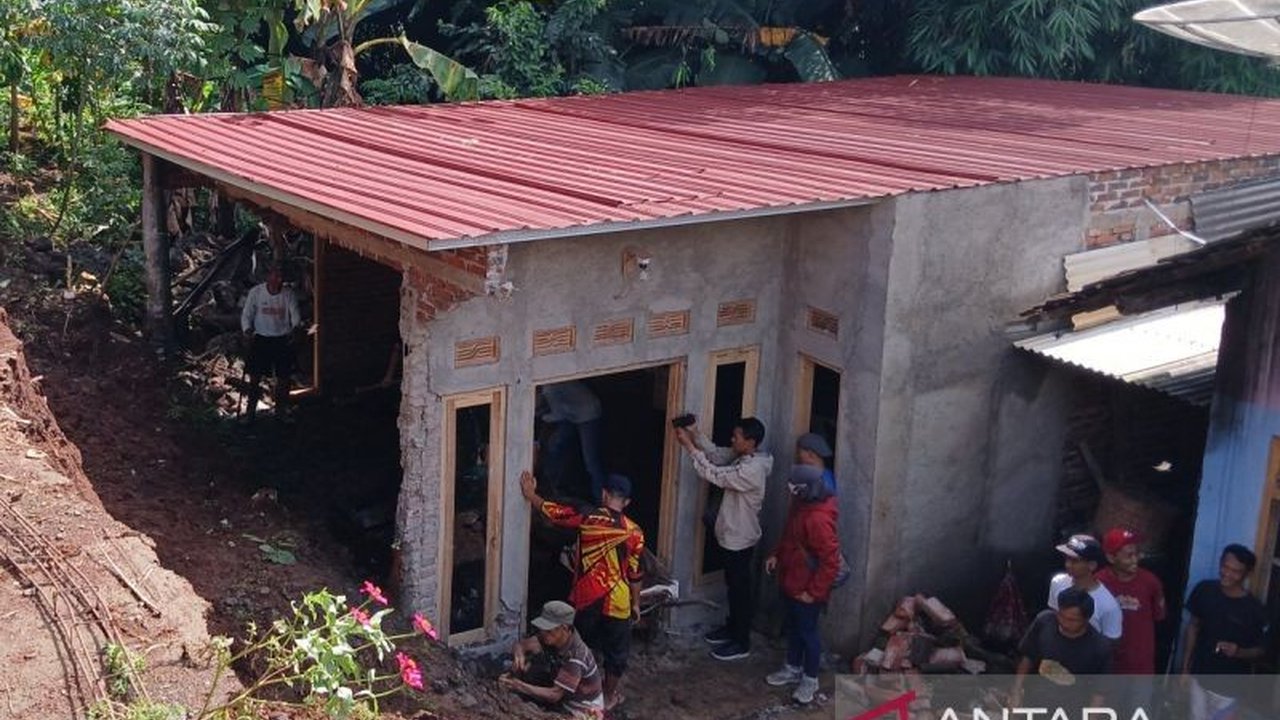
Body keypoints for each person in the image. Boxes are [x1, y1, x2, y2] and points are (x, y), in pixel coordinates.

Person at [520, 470, 644, 711]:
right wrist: (635, 603)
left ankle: (567, 687)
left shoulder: (589, 517)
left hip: (586, 598)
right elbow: (635, 573)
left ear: (604, 494)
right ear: (626, 502)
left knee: (575, 645)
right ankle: (606, 699)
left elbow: (555, 513)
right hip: (618, 603)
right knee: (616, 656)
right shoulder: (635, 532)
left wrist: (531, 495)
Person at [675, 416, 773, 661]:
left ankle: (741, 641)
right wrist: (696, 435)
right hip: (732, 535)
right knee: (734, 586)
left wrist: (689, 447)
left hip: (740, 539)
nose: (732, 440)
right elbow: (718, 455)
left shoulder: (751, 471)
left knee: (740, 590)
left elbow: (716, 473)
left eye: (737, 437)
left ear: (750, 442)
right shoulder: (746, 457)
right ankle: (732, 628)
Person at [763, 464, 841, 705]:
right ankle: (792, 667)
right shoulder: (802, 504)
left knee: (808, 633)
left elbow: (831, 562)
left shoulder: (818, 519)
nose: (790, 490)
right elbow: (789, 533)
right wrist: (776, 553)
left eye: (793, 487)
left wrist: (813, 592)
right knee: (795, 627)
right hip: (792, 579)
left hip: (806, 586)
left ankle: (810, 679)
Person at [1180, 544, 1268, 720]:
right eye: (1225, 567)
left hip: (1230, 690)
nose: (1227, 574)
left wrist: (1238, 652)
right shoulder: (1204, 590)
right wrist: (1185, 669)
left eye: (1235, 571)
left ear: (1247, 574)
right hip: (1199, 679)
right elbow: (1193, 627)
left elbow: (1261, 651)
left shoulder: (1255, 610)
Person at [1097, 527, 1166, 717]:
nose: (1135, 559)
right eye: (1129, 555)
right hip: (1110, 666)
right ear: (1111, 558)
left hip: (1140, 668)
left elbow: (1159, 618)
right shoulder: (1099, 583)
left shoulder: (1151, 582)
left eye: (1137, 553)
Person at [499, 600, 604, 718]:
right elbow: (520, 645)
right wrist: (519, 657)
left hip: (581, 706)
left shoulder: (576, 657)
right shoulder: (550, 637)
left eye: (548, 630)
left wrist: (518, 685)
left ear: (564, 628)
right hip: (564, 694)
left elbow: (555, 695)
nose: (543, 633)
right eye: (543, 628)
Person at [1013, 587, 1113, 710]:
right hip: (1035, 704)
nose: (1064, 623)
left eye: (1072, 620)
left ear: (1086, 619)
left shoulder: (1100, 647)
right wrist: (1016, 691)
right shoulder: (1044, 622)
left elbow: (1100, 691)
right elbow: (1027, 657)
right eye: (1061, 616)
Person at [240, 267, 302, 421]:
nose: (278, 280)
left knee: (284, 378)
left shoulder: (288, 294)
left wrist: (295, 328)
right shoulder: (256, 293)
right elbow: (247, 314)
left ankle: (281, 411)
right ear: (267, 277)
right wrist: (247, 330)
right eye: (275, 276)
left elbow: (295, 315)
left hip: (282, 339)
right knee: (255, 377)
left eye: (280, 277)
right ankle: (250, 412)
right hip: (261, 338)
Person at [539, 381, 607, 504]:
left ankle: (602, 503)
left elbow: (557, 415)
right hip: (571, 413)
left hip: (588, 413)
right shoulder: (549, 385)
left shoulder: (549, 389)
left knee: (591, 461)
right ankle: (555, 487)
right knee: (555, 445)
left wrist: (537, 416)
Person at [1047, 534, 1123, 641]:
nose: (1068, 564)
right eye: (1067, 558)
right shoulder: (1057, 582)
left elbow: (1110, 645)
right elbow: (1053, 618)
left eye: (1074, 561)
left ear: (1092, 565)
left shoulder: (1109, 606)